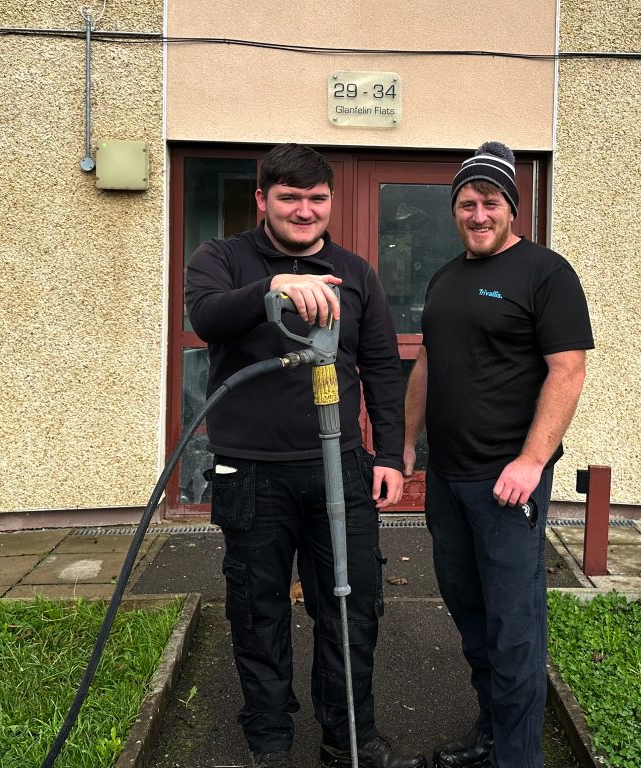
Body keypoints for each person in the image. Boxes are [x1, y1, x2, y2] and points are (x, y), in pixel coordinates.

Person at [185, 143, 426, 768]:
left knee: (350, 605)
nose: (304, 210)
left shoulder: (356, 273)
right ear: (262, 199)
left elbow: (378, 366)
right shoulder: (223, 259)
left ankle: (349, 738)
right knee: (256, 608)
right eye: (289, 197)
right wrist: (275, 284)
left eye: (316, 198)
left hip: (339, 467)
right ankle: (268, 742)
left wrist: (391, 458)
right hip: (251, 471)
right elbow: (207, 316)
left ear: (330, 203)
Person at [403, 142, 594, 768]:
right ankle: (490, 738)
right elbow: (427, 364)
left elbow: (567, 370)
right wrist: (407, 441)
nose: (477, 214)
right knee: (472, 617)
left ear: (512, 207)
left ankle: (518, 758)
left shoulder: (547, 274)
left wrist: (532, 462)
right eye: (466, 203)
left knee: (515, 630)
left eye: (489, 202)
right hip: (447, 482)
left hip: (507, 485)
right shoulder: (444, 277)